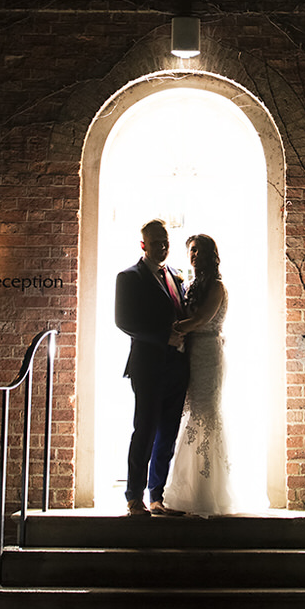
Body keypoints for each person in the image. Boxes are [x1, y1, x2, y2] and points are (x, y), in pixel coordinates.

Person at [114, 218, 190, 516]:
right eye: (156, 242)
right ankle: (134, 497)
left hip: (178, 366)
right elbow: (124, 321)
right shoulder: (129, 277)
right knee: (144, 430)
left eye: (166, 241)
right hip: (148, 366)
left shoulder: (175, 275)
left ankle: (157, 497)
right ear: (143, 245)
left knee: (168, 433)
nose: (162, 246)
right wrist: (164, 337)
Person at [164, 233, 236, 515]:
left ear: (209, 254)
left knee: (205, 413)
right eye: (190, 251)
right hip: (190, 355)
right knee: (191, 414)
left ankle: (207, 491)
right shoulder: (190, 285)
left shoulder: (217, 286)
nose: (194, 255)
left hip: (209, 355)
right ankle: (187, 486)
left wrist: (171, 331)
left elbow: (202, 319)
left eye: (198, 251)